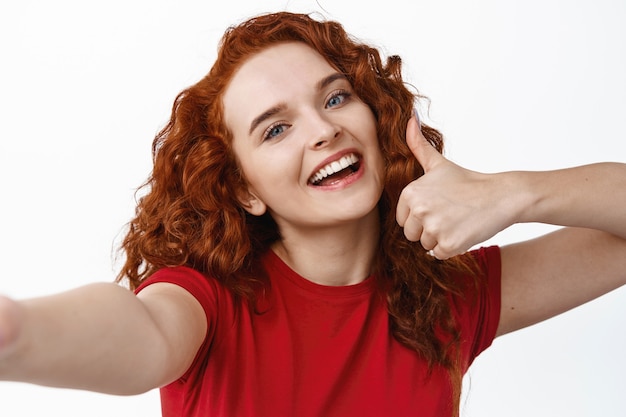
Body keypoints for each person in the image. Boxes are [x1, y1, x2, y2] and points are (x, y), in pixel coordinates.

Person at [0, 11, 625, 417]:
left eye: (335, 97)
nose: (324, 130)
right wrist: (17, 333)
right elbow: (136, 333)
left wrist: (515, 194)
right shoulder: (206, 303)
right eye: (275, 130)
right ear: (244, 190)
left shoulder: (451, 296)